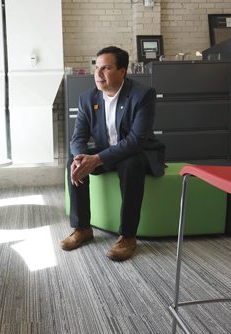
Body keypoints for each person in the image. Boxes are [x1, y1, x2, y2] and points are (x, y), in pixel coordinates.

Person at [61, 46, 165, 261]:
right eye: (96, 67)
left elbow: (136, 140)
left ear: (122, 71)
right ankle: (82, 228)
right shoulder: (87, 98)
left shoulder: (142, 94)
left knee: (131, 163)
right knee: (74, 159)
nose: (98, 74)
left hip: (138, 152)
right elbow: (77, 138)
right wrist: (82, 157)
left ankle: (127, 236)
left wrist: (97, 159)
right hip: (108, 151)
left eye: (106, 68)